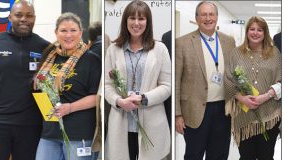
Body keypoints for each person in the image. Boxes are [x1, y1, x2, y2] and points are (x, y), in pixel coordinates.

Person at [0, 1, 49, 160]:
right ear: (9, 17)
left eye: (29, 15)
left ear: (34, 18)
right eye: (19, 15)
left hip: (31, 126)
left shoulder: (46, 48)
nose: (24, 19)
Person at [105, 1, 171, 160]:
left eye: (141, 19)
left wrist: (144, 99)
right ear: (125, 21)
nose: (136, 23)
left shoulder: (160, 49)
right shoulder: (113, 49)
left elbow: (167, 86)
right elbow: (107, 86)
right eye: (132, 18)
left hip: (152, 124)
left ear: (147, 22)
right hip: (121, 123)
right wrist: (119, 101)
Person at [34, 12, 101, 160]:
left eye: (73, 30)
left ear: (81, 33)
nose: (68, 35)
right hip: (50, 132)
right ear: (56, 33)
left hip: (79, 134)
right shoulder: (49, 56)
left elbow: (97, 97)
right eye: (63, 30)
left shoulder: (91, 59)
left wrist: (70, 108)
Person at [175, 1, 235, 159]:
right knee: (194, 154)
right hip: (194, 111)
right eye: (203, 14)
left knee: (219, 154)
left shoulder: (229, 42)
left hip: (223, 110)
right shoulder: (182, 43)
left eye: (211, 14)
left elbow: (234, 74)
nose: (208, 18)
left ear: (216, 17)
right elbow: (176, 82)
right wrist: (177, 115)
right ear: (196, 18)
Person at [225, 16, 281, 160]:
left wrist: (266, 96)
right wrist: (241, 98)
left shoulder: (275, 53)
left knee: (266, 156)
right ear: (247, 31)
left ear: (265, 33)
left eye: (259, 30)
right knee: (246, 156)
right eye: (252, 29)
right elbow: (228, 80)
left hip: (269, 114)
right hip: (243, 116)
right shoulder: (235, 53)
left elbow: (282, 80)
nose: (255, 33)